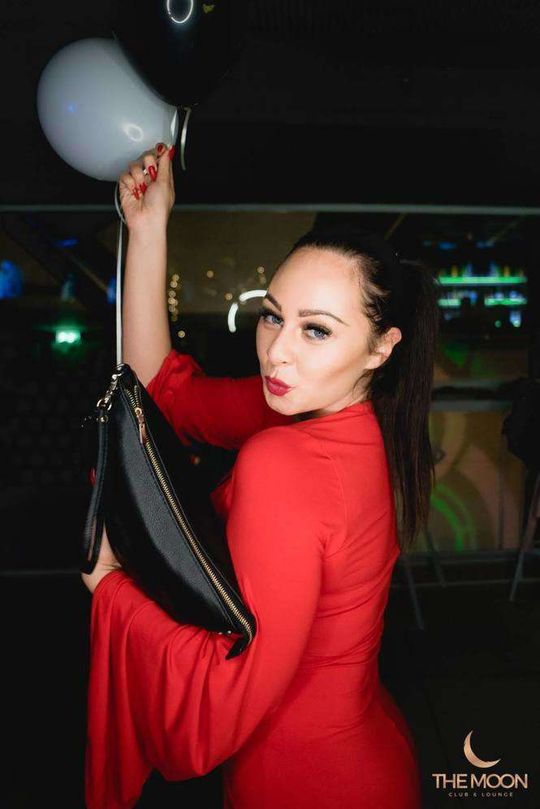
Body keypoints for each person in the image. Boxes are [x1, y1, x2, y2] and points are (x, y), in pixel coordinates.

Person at [81, 142, 440, 809]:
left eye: (316, 330)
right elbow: (165, 395)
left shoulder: (283, 458)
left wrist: (111, 588)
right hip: (370, 751)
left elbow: (229, 687)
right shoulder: (344, 412)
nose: (277, 352)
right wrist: (149, 227)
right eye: (272, 315)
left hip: (304, 778)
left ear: (381, 347)